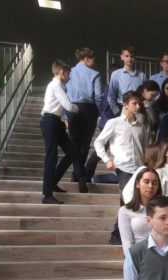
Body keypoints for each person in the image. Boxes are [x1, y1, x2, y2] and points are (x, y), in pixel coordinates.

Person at [39, 59, 83, 204]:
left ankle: (52, 182)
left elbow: (59, 106)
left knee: (72, 152)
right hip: (49, 121)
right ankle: (47, 195)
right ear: (62, 72)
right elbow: (68, 106)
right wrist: (79, 109)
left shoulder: (58, 86)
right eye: (68, 74)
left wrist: (64, 118)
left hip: (56, 121)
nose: (69, 77)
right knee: (51, 157)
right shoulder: (56, 85)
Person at [94, 90, 148, 194]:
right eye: (134, 103)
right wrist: (107, 160)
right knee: (128, 195)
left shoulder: (142, 127)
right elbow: (98, 142)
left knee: (138, 197)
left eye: (139, 103)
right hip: (123, 166)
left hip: (139, 167)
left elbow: (145, 147)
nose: (138, 106)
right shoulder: (114, 123)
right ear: (125, 105)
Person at [66, 47, 102, 188]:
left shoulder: (69, 72)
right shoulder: (95, 74)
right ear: (86, 59)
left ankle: (78, 174)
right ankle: (80, 175)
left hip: (72, 108)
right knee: (85, 144)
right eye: (93, 59)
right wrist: (99, 111)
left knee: (74, 143)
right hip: (89, 109)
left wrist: (64, 114)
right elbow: (98, 96)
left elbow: (64, 93)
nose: (94, 62)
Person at [118, 168, 162, 254]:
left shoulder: (163, 209)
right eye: (146, 182)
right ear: (137, 184)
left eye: (154, 183)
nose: (150, 186)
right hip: (139, 256)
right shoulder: (125, 211)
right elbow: (127, 243)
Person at [108, 45, 147, 116]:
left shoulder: (142, 76)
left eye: (132, 56)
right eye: (127, 56)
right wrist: (117, 112)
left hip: (138, 109)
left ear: (135, 58)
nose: (129, 59)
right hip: (122, 109)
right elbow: (111, 96)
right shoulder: (116, 74)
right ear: (122, 57)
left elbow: (145, 95)